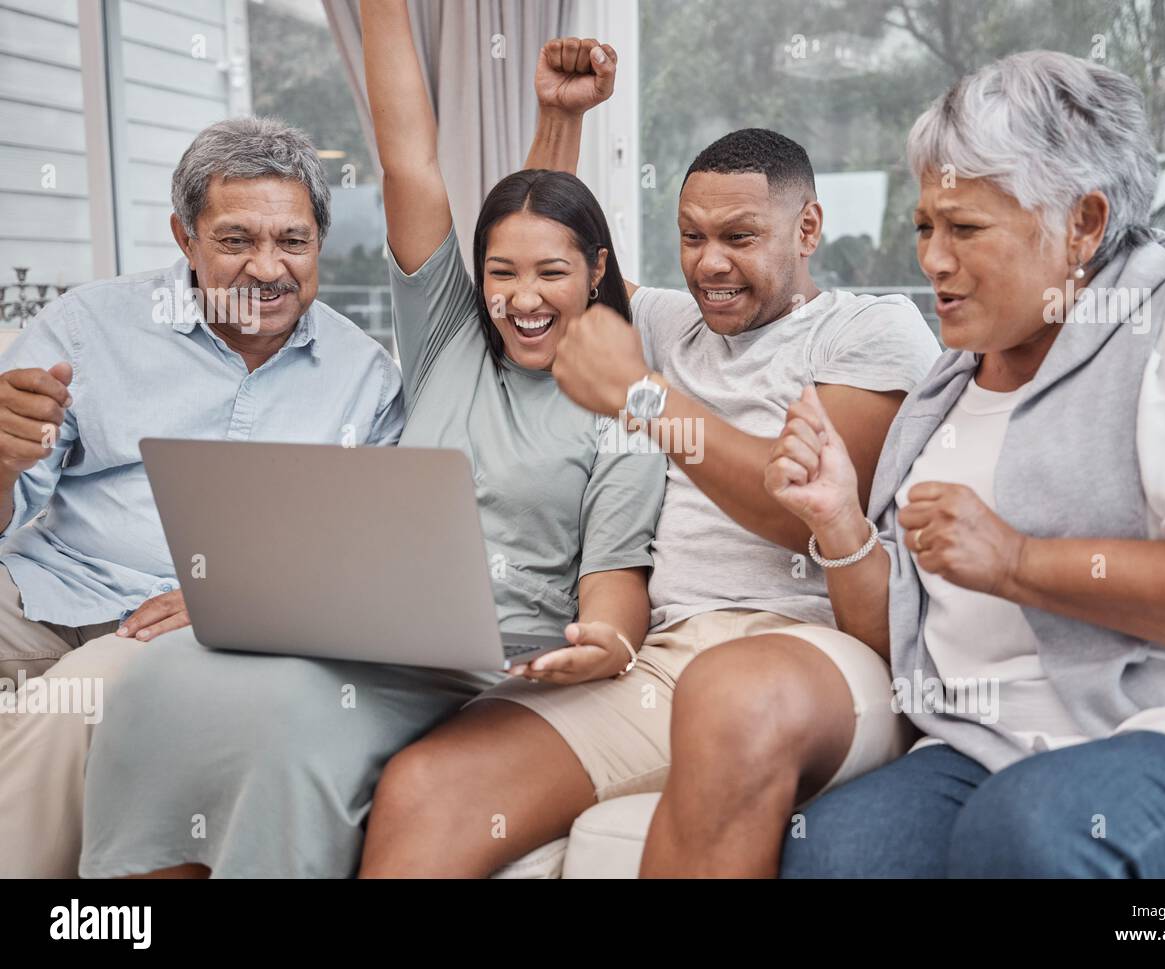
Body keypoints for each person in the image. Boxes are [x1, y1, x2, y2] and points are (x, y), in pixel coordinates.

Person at [77, 12, 664, 878]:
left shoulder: (629, 412)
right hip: (348, 626)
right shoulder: (450, 341)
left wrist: (605, 645)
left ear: (598, 274)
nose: (523, 298)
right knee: (158, 684)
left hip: (475, 663)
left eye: (552, 274)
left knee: (285, 727)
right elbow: (408, 163)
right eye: (500, 273)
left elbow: (616, 589)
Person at [359, 82, 940, 876]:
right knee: (426, 785)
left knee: (730, 692)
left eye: (738, 236)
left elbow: (804, 513)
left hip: (811, 648)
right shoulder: (670, 324)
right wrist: (560, 120)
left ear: (807, 228)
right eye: (691, 236)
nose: (710, 264)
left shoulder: (871, 330)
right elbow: (542, 252)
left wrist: (644, 397)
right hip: (668, 657)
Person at [770, 50, 1165, 878]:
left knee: (1036, 828)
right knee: (838, 853)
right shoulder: (941, 394)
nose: (932, 260)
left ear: (1083, 223)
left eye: (965, 227)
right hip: (990, 744)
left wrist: (1021, 562)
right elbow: (908, 645)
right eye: (924, 226)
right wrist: (839, 521)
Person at [0, 116, 403, 877]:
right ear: (185, 239)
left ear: (322, 239)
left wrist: (244, 595)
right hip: (47, 578)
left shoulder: (367, 378)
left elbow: (372, 558)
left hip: (181, 622)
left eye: (292, 240)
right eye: (235, 240)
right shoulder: (89, 325)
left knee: (75, 701)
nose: (267, 267)